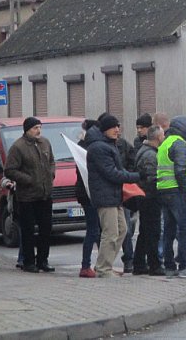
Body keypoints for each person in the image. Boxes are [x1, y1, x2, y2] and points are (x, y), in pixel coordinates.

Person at [86, 114, 141, 278]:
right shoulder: (98, 148)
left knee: (122, 230)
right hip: (105, 197)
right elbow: (112, 173)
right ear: (104, 130)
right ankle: (103, 269)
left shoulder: (109, 145)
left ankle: (104, 265)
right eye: (113, 127)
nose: (117, 130)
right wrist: (137, 177)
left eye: (118, 126)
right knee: (110, 233)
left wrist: (131, 176)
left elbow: (119, 170)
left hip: (114, 196)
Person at [5, 117, 56, 273]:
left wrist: (51, 174)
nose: (38, 131)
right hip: (27, 196)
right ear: (27, 130)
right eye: (35, 128)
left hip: (45, 194)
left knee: (46, 229)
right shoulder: (18, 147)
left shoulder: (45, 143)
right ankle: (28, 262)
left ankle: (43, 260)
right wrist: (28, 180)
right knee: (28, 231)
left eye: (39, 127)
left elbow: (52, 161)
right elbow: (10, 170)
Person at [157, 116, 186, 277]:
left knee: (168, 230)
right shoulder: (180, 144)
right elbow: (180, 170)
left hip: (163, 190)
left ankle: (169, 266)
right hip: (177, 192)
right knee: (184, 229)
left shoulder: (165, 143)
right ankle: (184, 265)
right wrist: (184, 189)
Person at [133, 125, 166, 275]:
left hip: (144, 196)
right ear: (158, 137)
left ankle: (139, 264)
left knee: (145, 232)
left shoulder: (144, 151)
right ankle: (154, 265)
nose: (164, 138)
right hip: (150, 198)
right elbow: (152, 179)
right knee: (153, 232)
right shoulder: (151, 155)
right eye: (163, 135)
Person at [77, 119, 100, 278]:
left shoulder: (84, 145)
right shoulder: (87, 147)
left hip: (90, 193)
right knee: (93, 230)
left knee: (98, 230)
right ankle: (86, 265)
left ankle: (103, 264)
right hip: (89, 193)